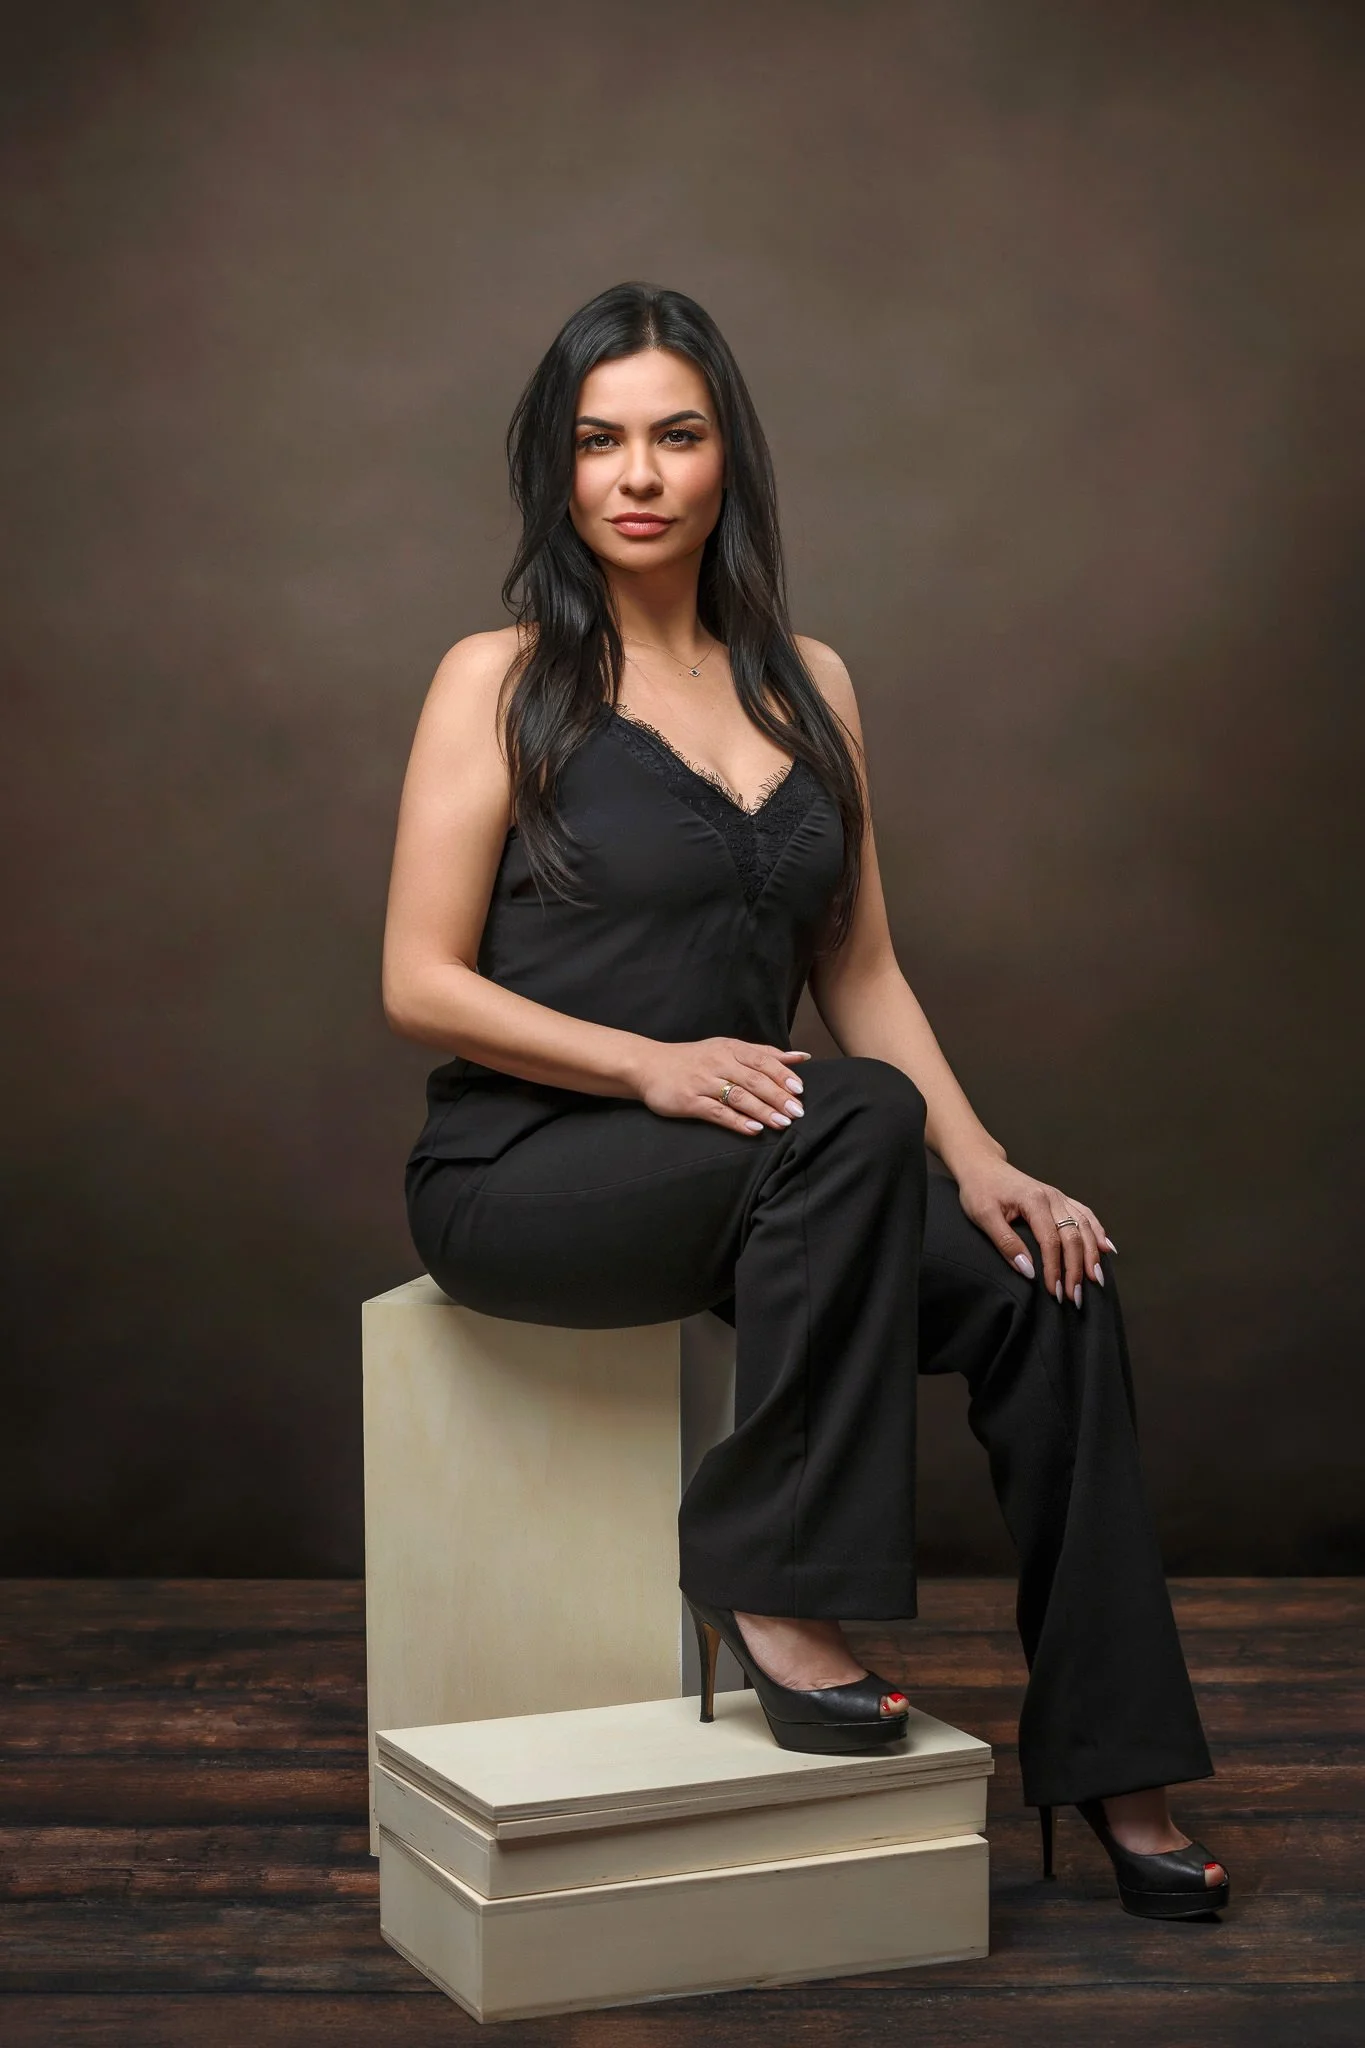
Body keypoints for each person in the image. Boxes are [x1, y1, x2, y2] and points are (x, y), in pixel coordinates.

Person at [380, 281, 1228, 1920]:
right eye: (599, 441)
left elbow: (866, 974)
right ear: (556, 476)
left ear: (727, 461)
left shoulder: (810, 685)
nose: (638, 474)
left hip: (776, 1176)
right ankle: (767, 1577)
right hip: (531, 1170)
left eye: (676, 436)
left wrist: (990, 1168)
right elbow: (417, 977)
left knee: (1048, 1283)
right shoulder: (499, 677)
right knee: (845, 1114)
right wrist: (647, 1065)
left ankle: (1118, 1764)